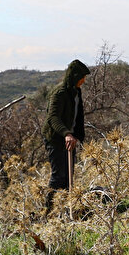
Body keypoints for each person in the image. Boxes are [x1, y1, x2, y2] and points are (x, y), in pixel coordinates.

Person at [42, 59, 90, 214]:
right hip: (55, 138)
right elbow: (53, 117)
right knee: (59, 176)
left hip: (70, 138)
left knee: (69, 176)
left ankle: (66, 209)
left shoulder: (76, 91)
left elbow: (79, 115)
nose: (83, 81)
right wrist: (66, 134)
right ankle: (48, 212)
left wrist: (78, 136)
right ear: (75, 76)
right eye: (82, 77)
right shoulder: (60, 92)